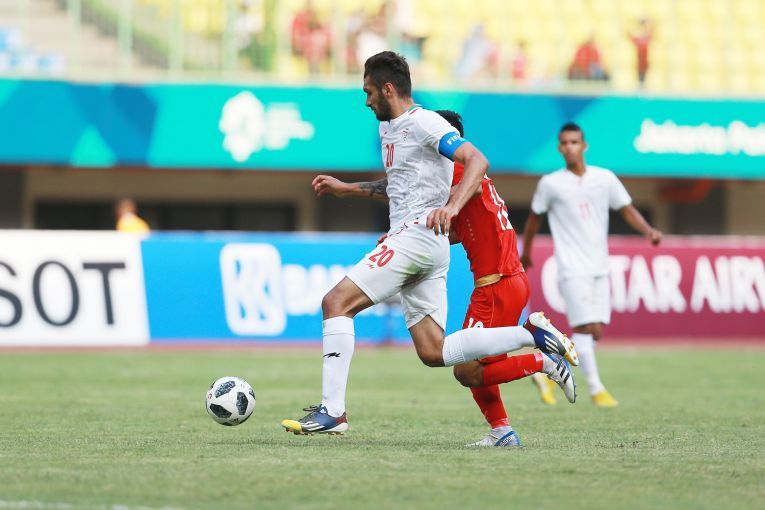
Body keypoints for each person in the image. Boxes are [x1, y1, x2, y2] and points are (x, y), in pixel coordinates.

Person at [281, 51, 578, 436]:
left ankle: (332, 412)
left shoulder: (425, 121)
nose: (366, 101)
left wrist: (452, 207)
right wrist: (348, 189)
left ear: (388, 89)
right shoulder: (390, 129)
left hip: (418, 239)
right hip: (422, 243)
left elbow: (477, 160)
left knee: (335, 303)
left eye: (369, 92)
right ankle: (531, 338)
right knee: (433, 351)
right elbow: (400, 185)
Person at [435, 110, 575, 447]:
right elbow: (460, 230)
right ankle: (502, 432)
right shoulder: (470, 176)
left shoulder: (456, 168)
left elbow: (428, 198)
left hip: (496, 284)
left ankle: (542, 357)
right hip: (507, 280)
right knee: (482, 366)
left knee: (465, 368)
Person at [521, 122, 662, 407]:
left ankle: (545, 365)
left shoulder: (604, 178)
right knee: (585, 327)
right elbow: (535, 218)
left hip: (599, 265)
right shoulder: (551, 183)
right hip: (571, 266)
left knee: (596, 330)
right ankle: (597, 390)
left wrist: (648, 231)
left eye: (574, 142)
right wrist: (527, 252)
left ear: (584, 146)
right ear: (559, 148)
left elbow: (627, 209)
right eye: (565, 143)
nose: (570, 147)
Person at [627, 18, 654, 87]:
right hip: (639, 62)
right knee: (640, 78)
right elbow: (630, 36)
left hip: (645, 62)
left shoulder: (647, 37)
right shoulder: (638, 37)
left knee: (644, 78)